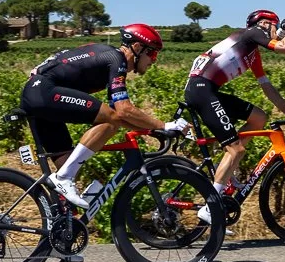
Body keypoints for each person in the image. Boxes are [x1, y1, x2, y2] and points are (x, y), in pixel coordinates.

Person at [20, 24, 187, 208]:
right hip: (44, 93)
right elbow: (123, 111)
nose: (153, 61)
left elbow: (121, 117)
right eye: (152, 54)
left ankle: (62, 220)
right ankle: (63, 178)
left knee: (68, 165)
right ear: (137, 47)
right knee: (109, 121)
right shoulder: (116, 59)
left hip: (39, 96)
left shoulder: (109, 58)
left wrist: (151, 130)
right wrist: (164, 125)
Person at [183, 9, 285, 225]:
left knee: (259, 118)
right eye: (275, 27)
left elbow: (267, 88)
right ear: (265, 23)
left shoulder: (252, 51)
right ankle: (211, 207)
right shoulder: (253, 33)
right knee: (236, 149)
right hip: (201, 90)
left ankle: (227, 167)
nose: (276, 32)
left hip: (207, 89)